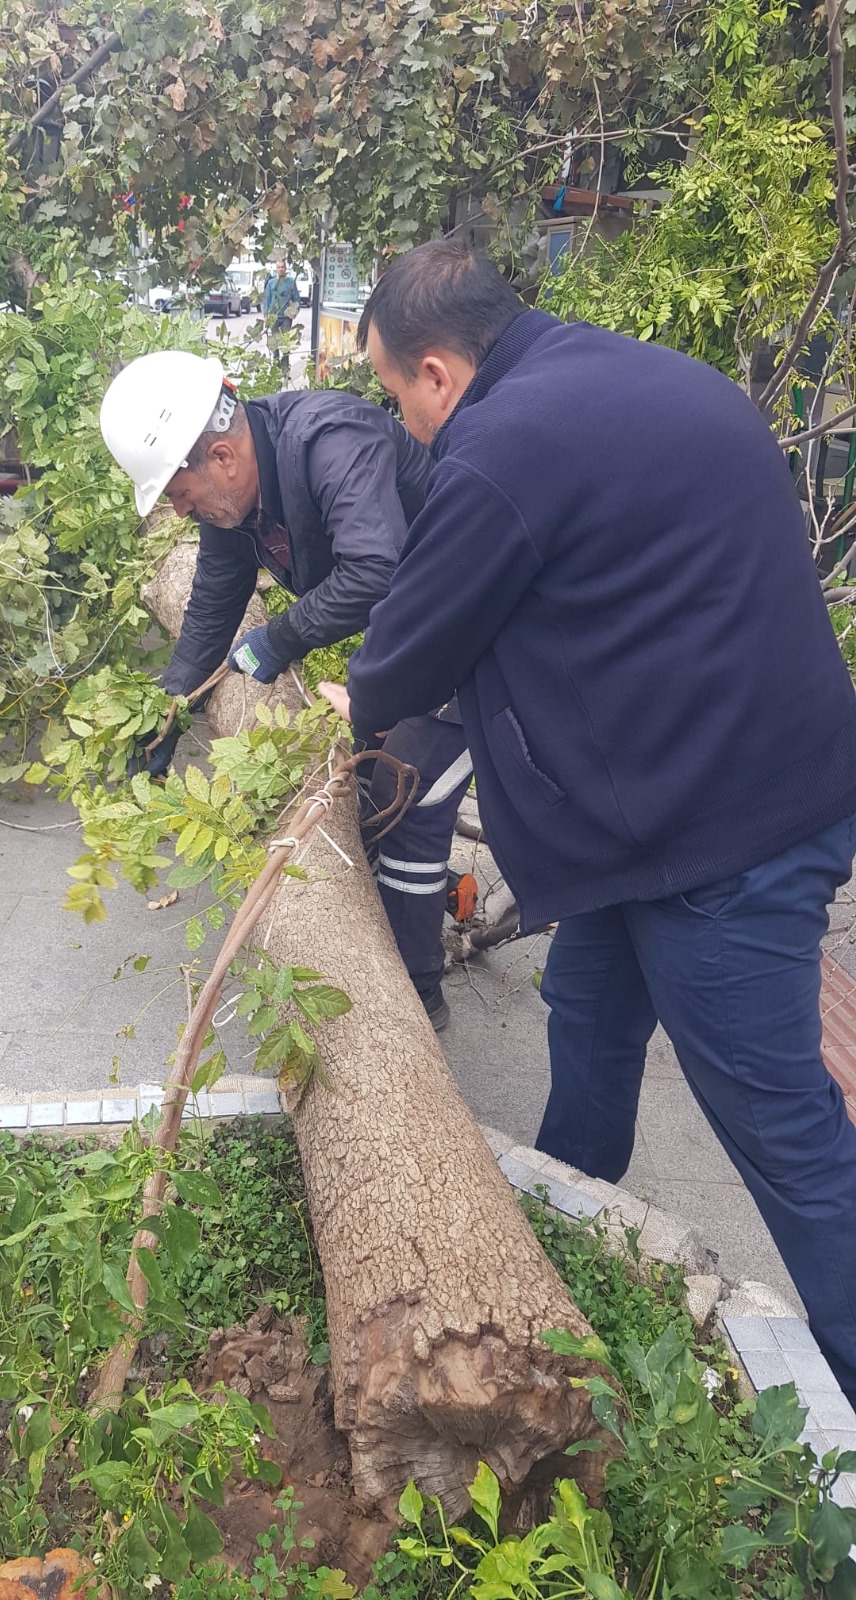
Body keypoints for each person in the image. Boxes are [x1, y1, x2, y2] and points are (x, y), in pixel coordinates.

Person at [317, 237, 856, 1402]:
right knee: (592, 1018)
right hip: (688, 802)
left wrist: (336, 709)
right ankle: (557, 1248)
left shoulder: (501, 449)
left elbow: (407, 653)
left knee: (780, 1127)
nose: (403, 424)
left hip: (724, 838)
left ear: (439, 374)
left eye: (395, 393)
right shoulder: (626, 377)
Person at [99, 348, 471, 1029]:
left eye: (180, 496)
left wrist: (278, 639)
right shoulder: (234, 507)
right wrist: (169, 708)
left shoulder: (330, 440)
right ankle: (409, 913)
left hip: (475, 633)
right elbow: (213, 604)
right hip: (410, 641)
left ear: (221, 457)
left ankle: (417, 997)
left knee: (406, 789)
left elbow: (374, 571)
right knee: (365, 782)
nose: (182, 514)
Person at [263, 258, 301, 372]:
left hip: (286, 318)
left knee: (285, 344)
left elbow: (297, 299)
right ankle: (275, 367)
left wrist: (294, 311)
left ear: (286, 268)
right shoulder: (271, 283)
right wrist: (265, 315)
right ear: (276, 269)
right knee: (275, 344)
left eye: (282, 267)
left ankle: (284, 369)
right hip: (273, 317)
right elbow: (266, 300)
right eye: (278, 267)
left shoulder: (291, 282)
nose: (281, 269)